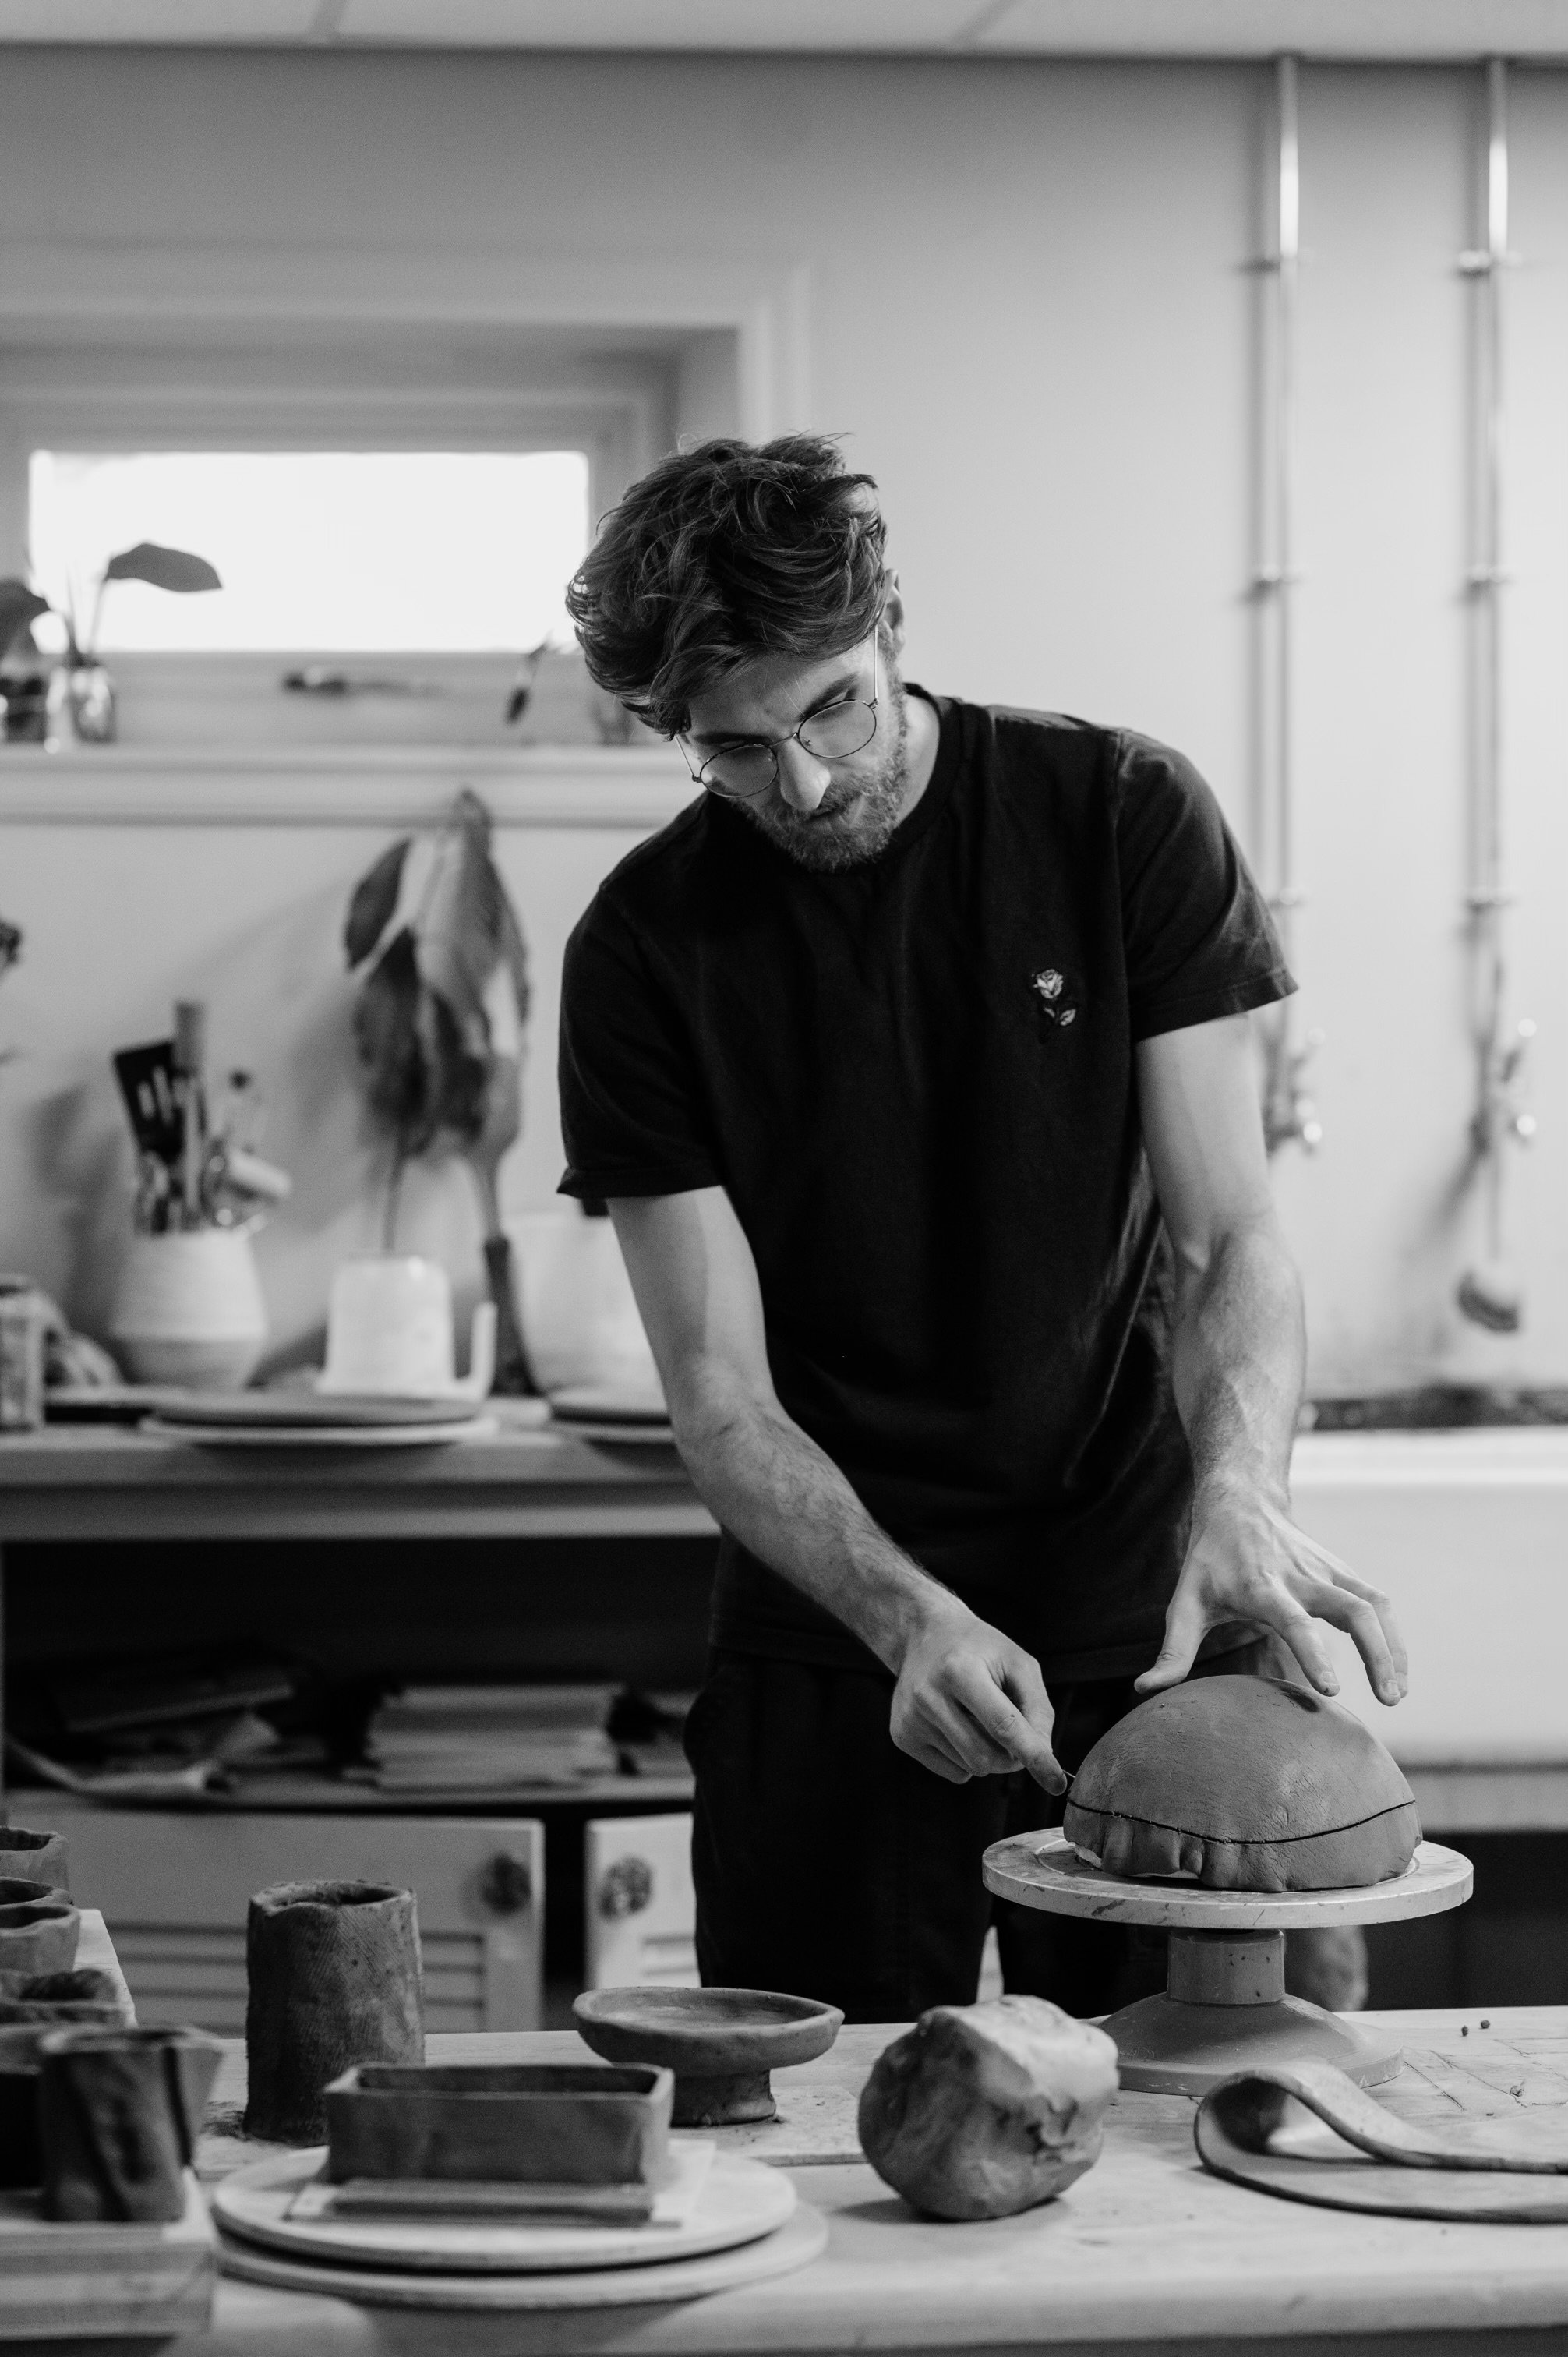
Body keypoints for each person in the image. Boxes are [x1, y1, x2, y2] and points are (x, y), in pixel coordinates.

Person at [558, 433, 1405, 2022]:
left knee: (1227, 2125)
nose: (800, 786)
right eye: (732, 752)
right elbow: (719, 1396)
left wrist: (1243, 1492)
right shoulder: (642, 951)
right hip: (836, 1645)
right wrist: (903, 1617)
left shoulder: (1118, 816)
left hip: (1155, 1613)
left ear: (894, 628)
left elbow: (1229, 1240)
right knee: (815, 2149)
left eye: (831, 709)